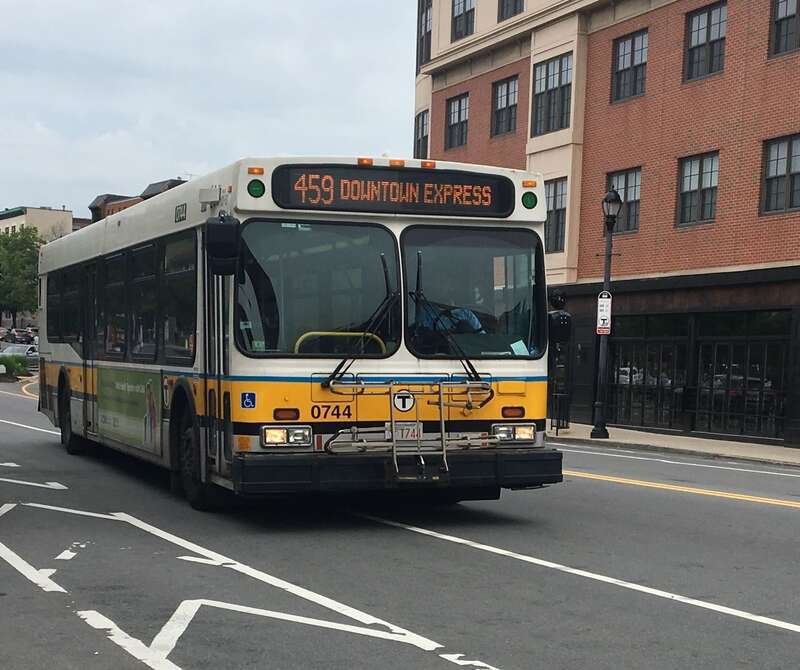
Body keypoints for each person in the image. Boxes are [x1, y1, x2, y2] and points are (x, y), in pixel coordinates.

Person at [415, 273, 485, 335]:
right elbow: (420, 336)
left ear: (451, 287)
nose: (440, 286)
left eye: (443, 282)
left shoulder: (465, 314)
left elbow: (483, 340)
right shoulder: (425, 311)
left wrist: (469, 332)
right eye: (437, 282)